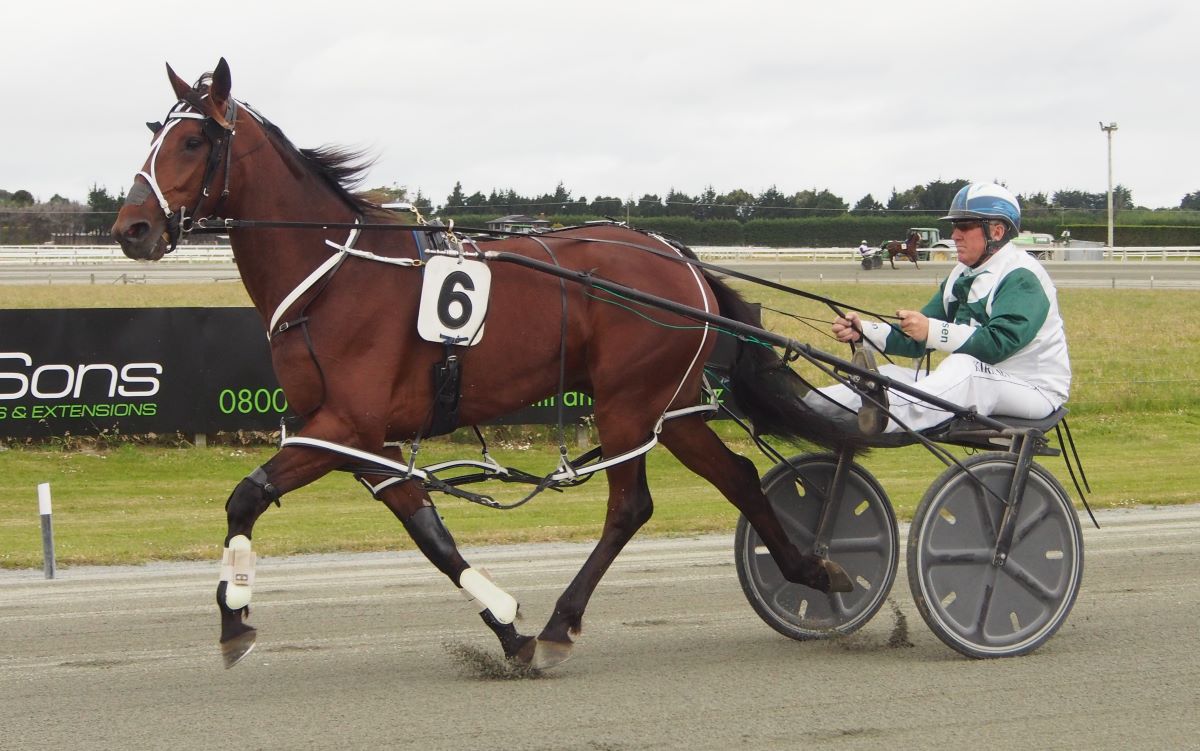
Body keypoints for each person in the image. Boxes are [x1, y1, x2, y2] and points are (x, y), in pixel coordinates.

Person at [807, 183, 1071, 434]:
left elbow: (997, 344)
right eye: (955, 225)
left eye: (965, 226)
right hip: (985, 379)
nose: (954, 235)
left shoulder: (1022, 276)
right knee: (890, 376)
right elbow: (918, 334)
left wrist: (931, 330)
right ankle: (810, 403)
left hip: (1034, 389)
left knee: (963, 368)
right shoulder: (961, 274)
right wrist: (863, 330)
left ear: (997, 232)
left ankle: (886, 413)